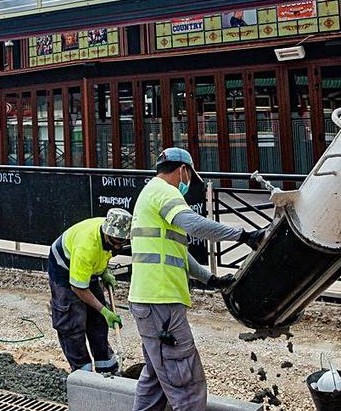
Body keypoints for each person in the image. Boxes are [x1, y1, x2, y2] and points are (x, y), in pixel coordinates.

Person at [129, 147, 267, 411]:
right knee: (186, 383)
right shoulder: (165, 192)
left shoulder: (150, 194)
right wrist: (243, 235)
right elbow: (194, 224)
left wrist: (210, 279)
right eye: (189, 177)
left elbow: (179, 254)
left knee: (156, 380)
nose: (188, 183)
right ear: (183, 170)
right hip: (161, 302)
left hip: (150, 301)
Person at [47, 207, 132, 373]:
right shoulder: (86, 247)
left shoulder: (114, 234)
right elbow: (78, 288)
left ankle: (106, 366)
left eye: (121, 242)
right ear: (106, 233)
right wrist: (105, 310)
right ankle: (82, 371)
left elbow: (103, 253)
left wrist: (104, 271)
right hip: (64, 267)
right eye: (114, 240)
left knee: (98, 320)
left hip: (89, 267)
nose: (117, 244)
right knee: (71, 320)